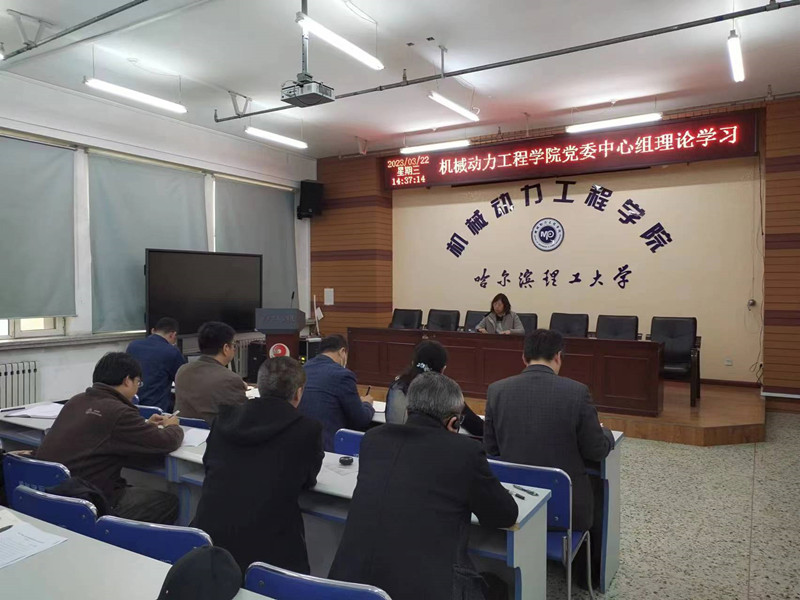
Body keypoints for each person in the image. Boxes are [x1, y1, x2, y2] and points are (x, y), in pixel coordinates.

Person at [329, 372, 518, 600]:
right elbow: (505, 515)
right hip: (424, 590)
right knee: (497, 588)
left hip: (347, 588)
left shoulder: (373, 440)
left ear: (408, 411)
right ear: (454, 423)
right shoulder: (465, 452)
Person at [484, 328, 614, 587]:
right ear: (558, 356)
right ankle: (588, 577)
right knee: (598, 490)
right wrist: (607, 435)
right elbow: (596, 450)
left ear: (524, 357)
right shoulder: (577, 392)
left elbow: (491, 450)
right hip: (566, 514)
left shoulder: (496, 390)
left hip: (515, 505)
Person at [192, 356, 323, 575]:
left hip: (209, 540)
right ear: (298, 393)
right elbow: (308, 480)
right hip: (268, 551)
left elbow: (209, 464)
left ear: (259, 388)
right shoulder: (307, 429)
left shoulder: (225, 418)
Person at [36, 352, 183, 524]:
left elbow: (103, 430)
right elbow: (166, 442)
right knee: (167, 502)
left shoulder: (76, 400)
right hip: (88, 498)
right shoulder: (119, 412)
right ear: (127, 380)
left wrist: (144, 425)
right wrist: (173, 426)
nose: (138, 388)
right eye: (138, 382)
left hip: (54, 492)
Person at [386, 340, 484, 436]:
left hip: (392, 442)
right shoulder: (446, 392)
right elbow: (478, 428)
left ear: (413, 363)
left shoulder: (396, 386)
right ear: (443, 370)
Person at [298, 334, 374, 451]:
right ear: (342, 352)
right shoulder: (342, 375)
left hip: (300, 444)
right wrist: (367, 404)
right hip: (328, 447)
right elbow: (360, 419)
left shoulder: (302, 369)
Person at [175, 321, 247, 424]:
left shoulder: (182, 370)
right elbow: (242, 417)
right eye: (234, 345)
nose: (234, 349)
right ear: (226, 348)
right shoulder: (230, 379)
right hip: (213, 432)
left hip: (184, 430)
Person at [126, 317, 187, 412]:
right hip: (156, 409)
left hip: (131, 404)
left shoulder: (133, 345)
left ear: (153, 331)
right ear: (173, 335)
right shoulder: (171, 351)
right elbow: (183, 380)